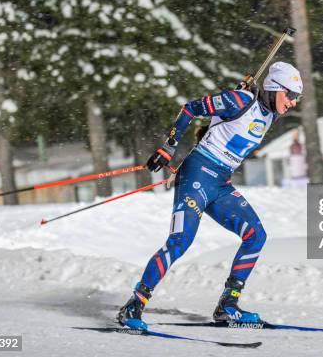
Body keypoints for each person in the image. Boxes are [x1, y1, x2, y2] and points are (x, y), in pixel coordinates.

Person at [118, 62, 303, 330]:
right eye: (291, 95)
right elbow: (191, 108)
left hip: (220, 183)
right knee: (180, 240)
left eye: (297, 98)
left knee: (256, 236)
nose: (294, 103)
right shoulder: (240, 100)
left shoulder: (270, 113)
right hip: (197, 175)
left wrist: (235, 104)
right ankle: (134, 304)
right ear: (275, 88)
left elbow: (234, 121)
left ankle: (228, 306)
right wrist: (168, 148)